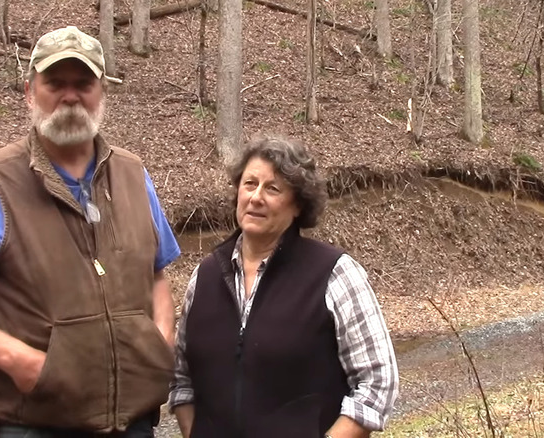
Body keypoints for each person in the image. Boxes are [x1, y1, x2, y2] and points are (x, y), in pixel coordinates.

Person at [0, 26, 181, 437]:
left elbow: (156, 276)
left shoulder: (134, 176)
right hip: (34, 422)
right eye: (55, 83)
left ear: (101, 93)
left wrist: (161, 340)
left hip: (133, 422)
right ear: (30, 91)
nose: (70, 96)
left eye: (83, 83)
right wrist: (23, 363)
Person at [169, 135, 399, 438]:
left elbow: (378, 382)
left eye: (273, 188)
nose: (256, 197)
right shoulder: (205, 277)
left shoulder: (334, 274)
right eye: (250, 184)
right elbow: (181, 380)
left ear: (298, 205)